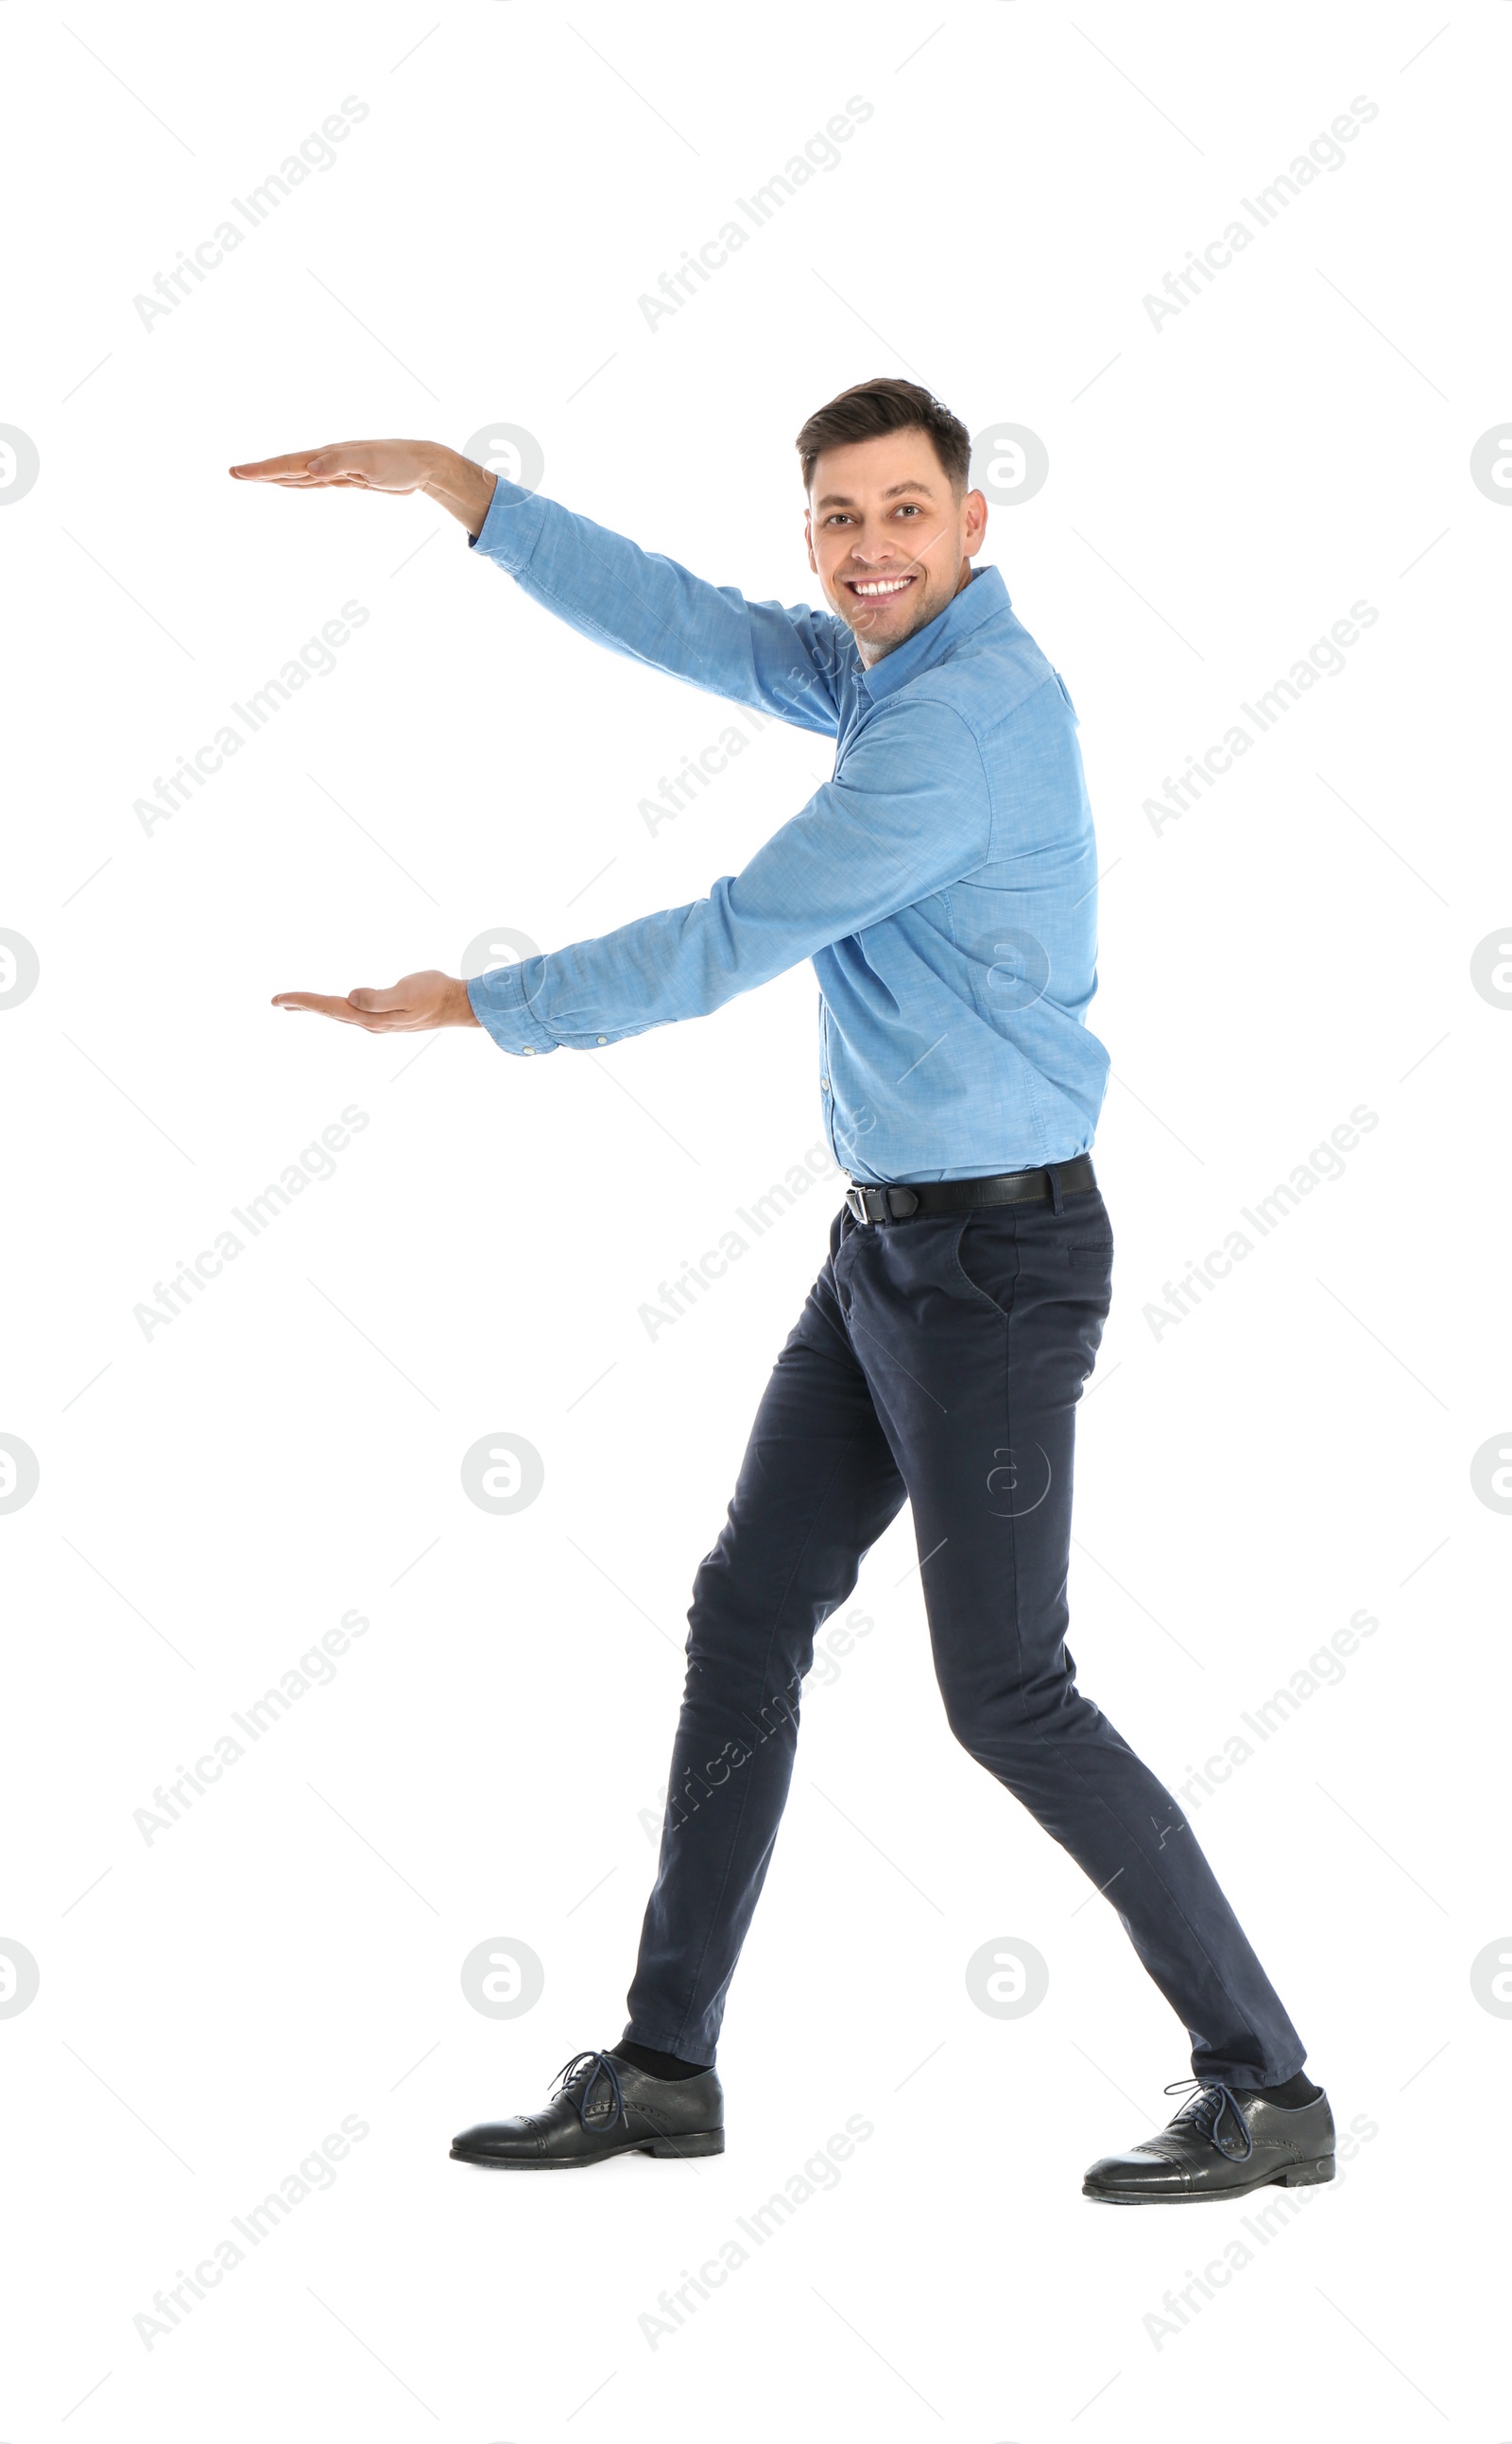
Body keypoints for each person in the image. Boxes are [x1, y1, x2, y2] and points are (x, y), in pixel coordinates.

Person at [231, 377, 1334, 2201]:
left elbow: (735, 933)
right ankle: (668, 2066)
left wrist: (478, 1002)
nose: (869, 547)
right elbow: (689, 621)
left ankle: (1267, 2080)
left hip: (991, 1262)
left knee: (1008, 1695)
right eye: (838, 518)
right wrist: (466, 494)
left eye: (905, 512)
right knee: (747, 1613)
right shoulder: (876, 669)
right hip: (890, 1247)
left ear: (974, 526)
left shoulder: (953, 726)